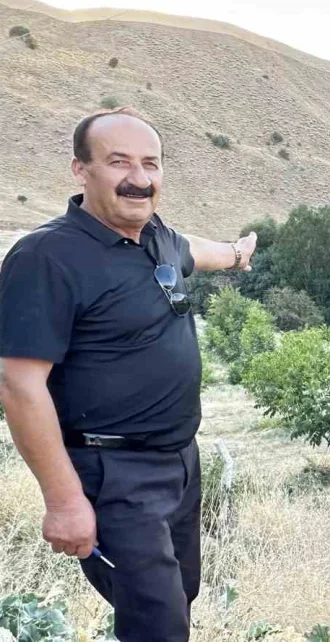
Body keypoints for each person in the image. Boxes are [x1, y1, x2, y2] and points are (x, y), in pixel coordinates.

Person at [0, 108, 257, 641]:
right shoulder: (46, 258)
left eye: (150, 164)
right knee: (158, 626)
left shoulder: (156, 236)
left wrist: (235, 255)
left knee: (177, 601)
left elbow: (193, 252)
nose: (139, 179)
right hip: (111, 474)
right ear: (81, 169)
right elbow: (18, 384)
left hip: (180, 463)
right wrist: (65, 501)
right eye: (119, 162)